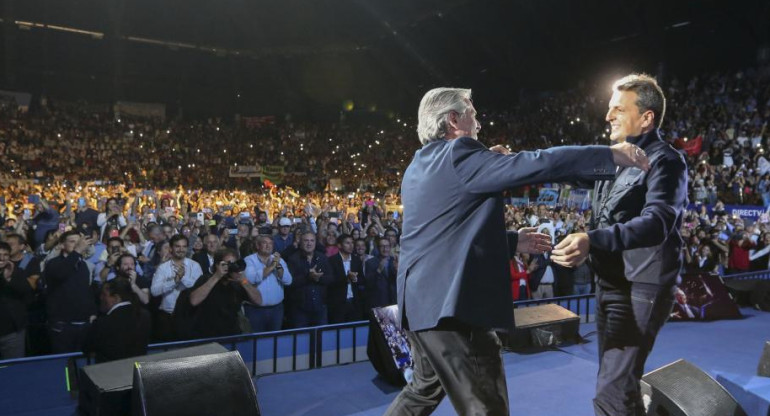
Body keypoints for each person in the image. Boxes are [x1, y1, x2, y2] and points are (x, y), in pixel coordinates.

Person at [384, 87, 648, 415]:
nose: (478, 120)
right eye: (472, 112)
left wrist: (511, 241)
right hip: (452, 310)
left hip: (420, 308)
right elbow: (539, 163)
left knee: (422, 391)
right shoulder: (461, 154)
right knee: (487, 406)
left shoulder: (417, 166)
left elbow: (444, 232)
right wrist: (607, 155)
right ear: (453, 120)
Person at [552, 74, 687, 416]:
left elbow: (657, 222)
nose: (607, 117)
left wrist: (591, 239)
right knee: (621, 388)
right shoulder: (613, 159)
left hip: (641, 286)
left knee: (611, 393)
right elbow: (565, 168)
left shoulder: (666, 161)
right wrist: (510, 162)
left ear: (646, 117)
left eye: (617, 110)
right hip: (610, 283)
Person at [177, 248, 263, 339]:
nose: (231, 267)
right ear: (217, 265)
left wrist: (244, 281)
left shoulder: (238, 283)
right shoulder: (206, 279)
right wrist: (217, 276)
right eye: (227, 264)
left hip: (231, 335)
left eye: (234, 263)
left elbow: (259, 301)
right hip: (207, 336)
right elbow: (194, 301)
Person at [84, 278, 151, 363]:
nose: (101, 298)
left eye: (104, 294)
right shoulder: (145, 316)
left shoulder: (103, 323)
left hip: (110, 373)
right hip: (137, 373)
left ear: (116, 298)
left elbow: (87, 348)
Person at [242, 235, 292, 332]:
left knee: (274, 341)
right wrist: (271, 267)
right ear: (257, 245)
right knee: (256, 340)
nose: (268, 246)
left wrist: (278, 266)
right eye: (265, 243)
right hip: (255, 310)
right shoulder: (249, 260)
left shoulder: (279, 260)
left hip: (276, 310)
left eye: (270, 244)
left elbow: (288, 281)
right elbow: (250, 279)